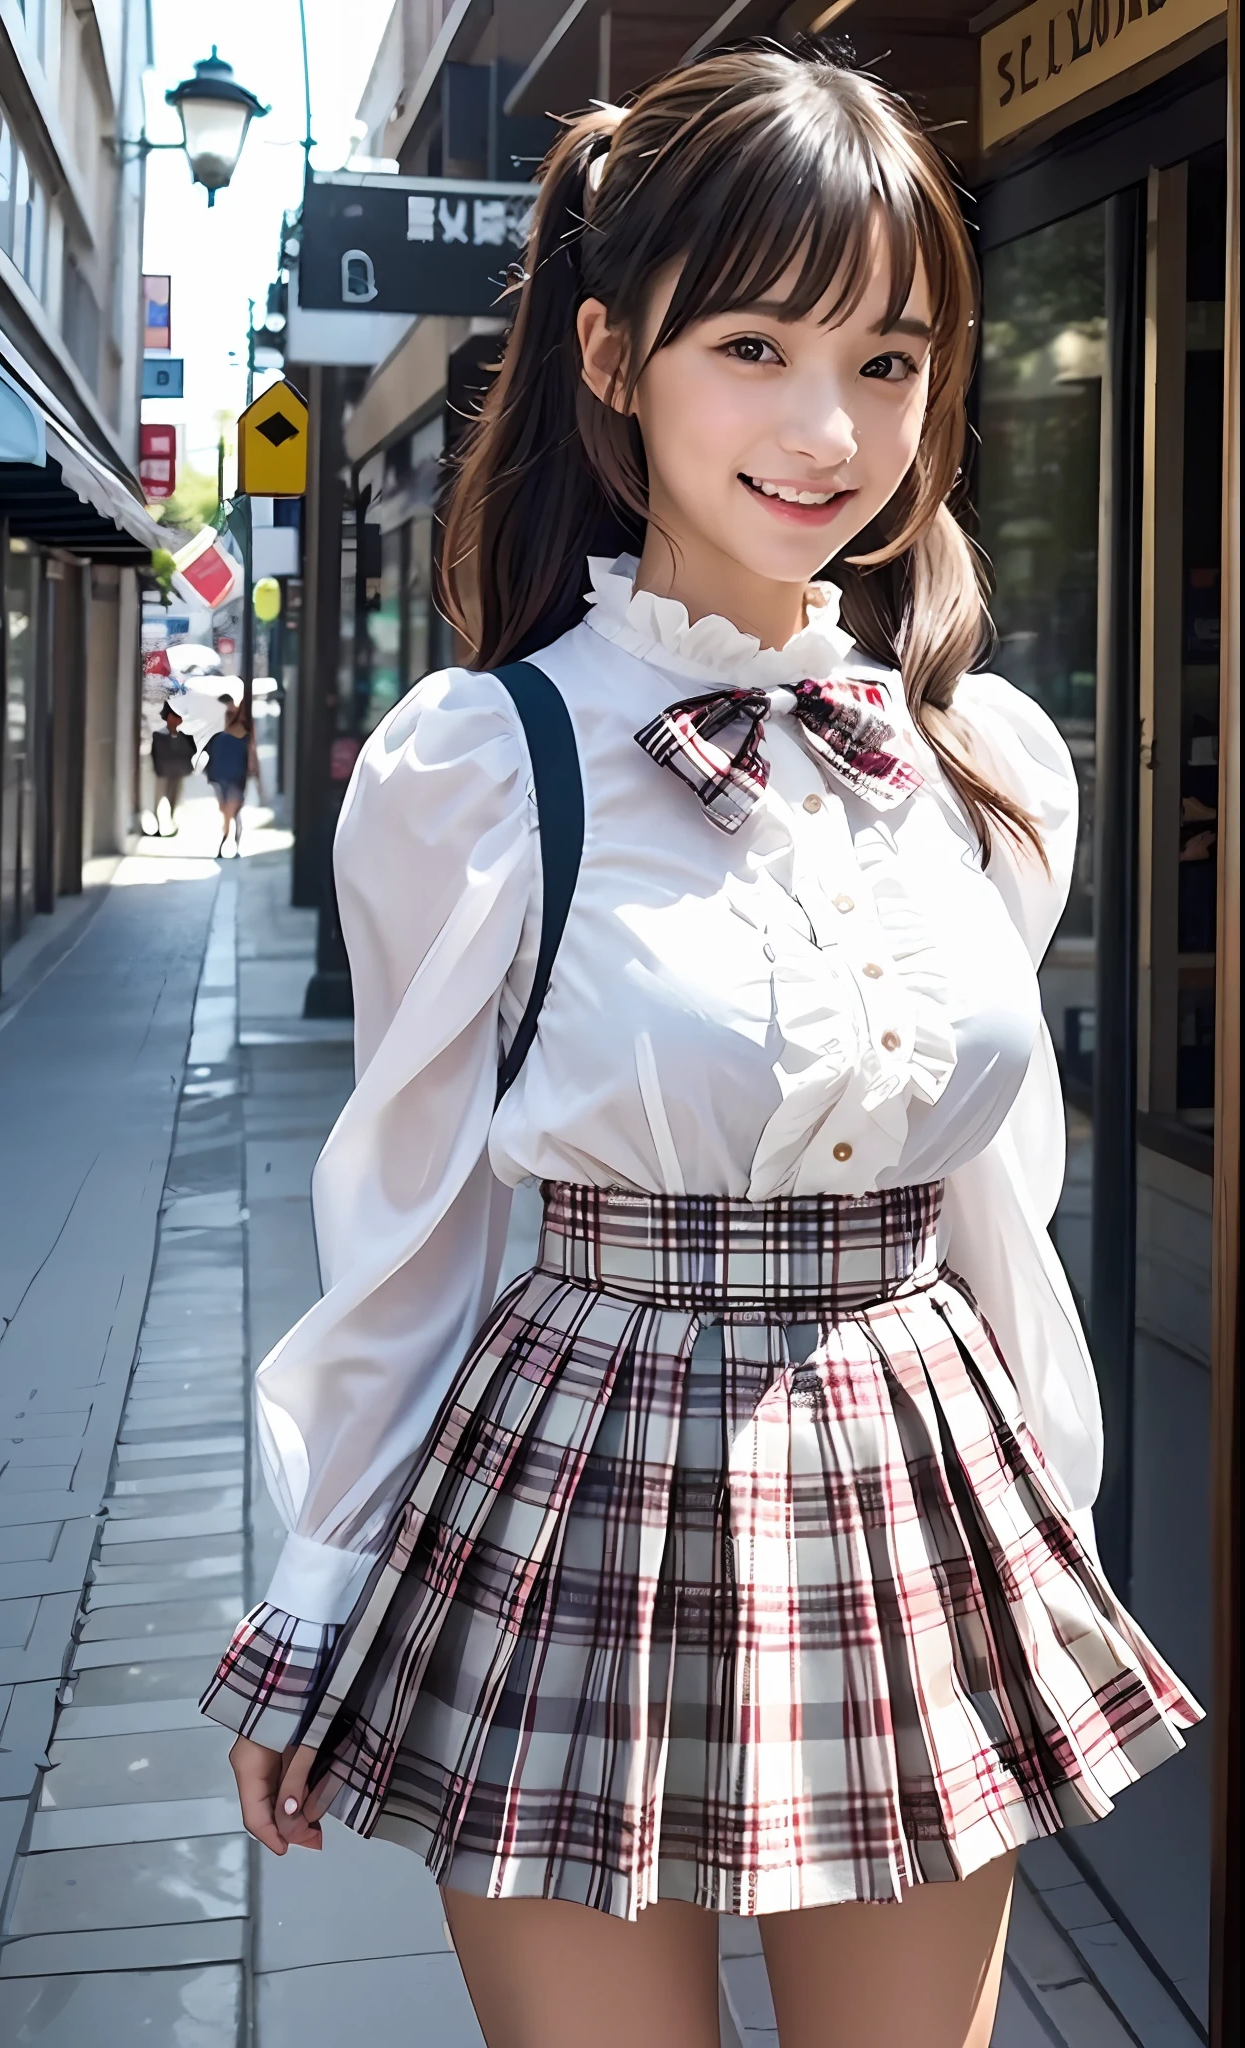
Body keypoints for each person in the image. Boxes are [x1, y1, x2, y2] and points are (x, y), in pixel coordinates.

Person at [201, 48, 1200, 2048]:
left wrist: (1047, 1540)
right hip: (575, 1464)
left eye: (893, 360)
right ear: (609, 349)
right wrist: (313, 1591)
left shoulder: (982, 760)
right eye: (756, 343)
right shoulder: (482, 764)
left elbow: (1004, 1215)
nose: (831, 427)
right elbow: (409, 1222)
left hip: (914, 1473)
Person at [203, 695, 258, 858]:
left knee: (231, 811)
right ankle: (229, 845)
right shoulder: (238, 730)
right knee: (231, 811)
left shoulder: (221, 730)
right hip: (229, 774)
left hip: (228, 774)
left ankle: (227, 845)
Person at [149, 707, 196, 837]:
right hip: (163, 773)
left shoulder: (186, 736)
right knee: (158, 800)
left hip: (178, 772)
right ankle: (158, 826)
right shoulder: (159, 735)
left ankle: (171, 824)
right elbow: (155, 754)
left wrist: (188, 769)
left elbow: (191, 754)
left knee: (174, 800)